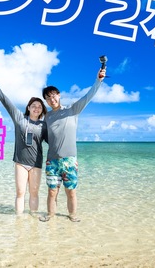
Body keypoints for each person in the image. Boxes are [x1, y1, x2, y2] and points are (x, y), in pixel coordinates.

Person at [38, 66, 105, 222]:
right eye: (48, 98)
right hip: (52, 161)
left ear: (59, 95)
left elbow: (88, 96)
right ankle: (50, 215)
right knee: (52, 191)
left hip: (69, 160)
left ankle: (72, 215)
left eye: (53, 96)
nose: (51, 100)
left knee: (71, 191)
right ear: (46, 101)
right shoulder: (46, 116)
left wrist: (98, 81)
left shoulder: (72, 110)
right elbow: (41, 135)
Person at [0, 82, 46, 215]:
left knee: (34, 192)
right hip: (21, 162)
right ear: (28, 107)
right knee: (20, 192)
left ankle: (33, 220)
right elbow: (6, 103)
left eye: (39, 106)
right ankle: (18, 220)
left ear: (42, 110)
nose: (36, 108)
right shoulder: (20, 118)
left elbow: (54, 142)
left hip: (36, 163)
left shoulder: (44, 125)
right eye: (34, 106)